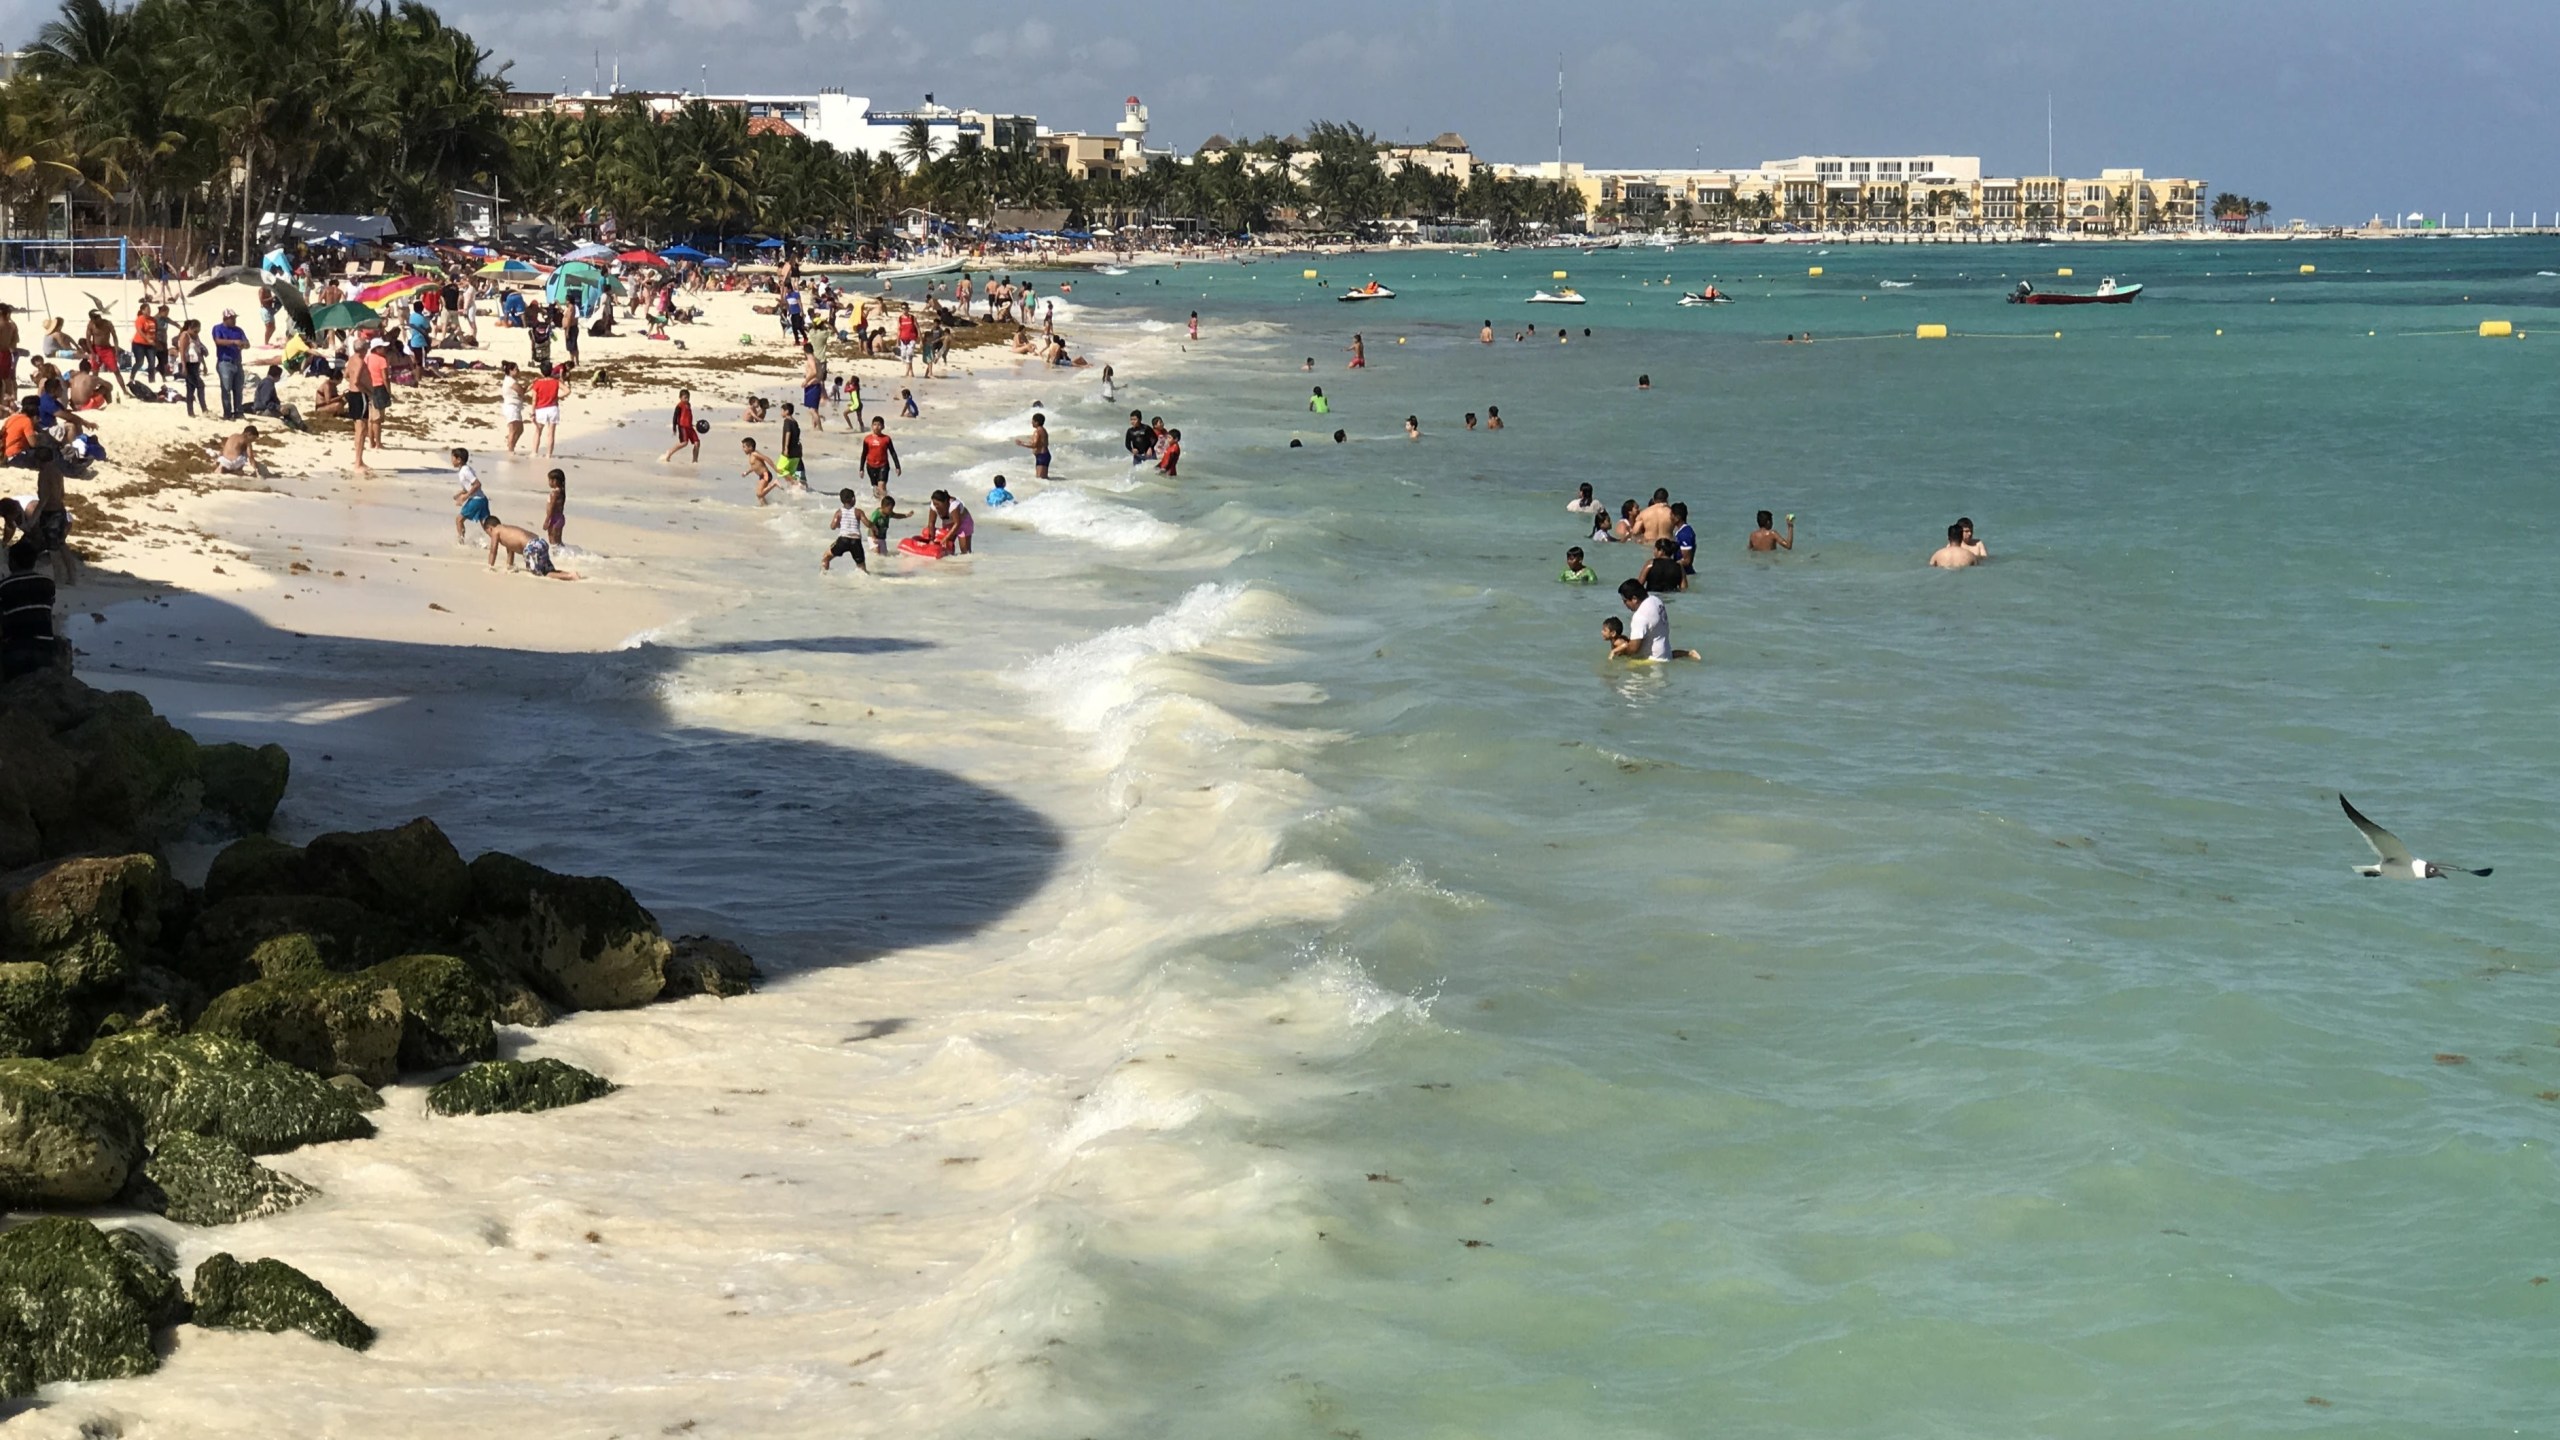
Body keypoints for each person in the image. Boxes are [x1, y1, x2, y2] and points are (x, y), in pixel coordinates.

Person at [0, 538, 58, 678]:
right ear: (34, 562)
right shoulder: (47, 583)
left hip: (15, 648)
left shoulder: (4, 587)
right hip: (45, 648)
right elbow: (48, 608)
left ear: (12, 562)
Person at [1612, 579, 1696, 661]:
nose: (1624, 604)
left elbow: (1634, 649)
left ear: (1634, 599)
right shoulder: (1656, 600)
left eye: (1625, 601)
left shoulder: (1639, 616)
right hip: (1666, 653)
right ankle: (1688, 654)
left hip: (1653, 660)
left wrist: (1620, 650)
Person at [481, 515, 576, 579]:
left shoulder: (496, 531)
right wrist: (509, 566)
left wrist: (490, 566)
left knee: (541, 574)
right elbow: (510, 551)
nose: (490, 535)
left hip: (531, 547)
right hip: (540, 542)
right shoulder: (507, 530)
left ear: (490, 528)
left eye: (488, 533)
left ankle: (570, 576)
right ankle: (569, 573)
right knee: (548, 569)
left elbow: (493, 551)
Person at [1601, 614, 1699, 661]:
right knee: (1669, 654)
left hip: (1639, 653)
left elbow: (1625, 644)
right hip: (1638, 651)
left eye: (1605, 630)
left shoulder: (1617, 642)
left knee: (1668, 656)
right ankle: (1687, 653)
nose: (1602, 632)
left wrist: (1613, 652)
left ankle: (1689, 653)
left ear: (1613, 633)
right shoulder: (1617, 639)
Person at [244, 365, 305, 430]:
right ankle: (301, 425)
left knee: (286, 409)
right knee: (291, 407)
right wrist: (279, 408)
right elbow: (266, 402)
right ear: (277, 376)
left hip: (262, 409)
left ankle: (292, 424)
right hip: (262, 411)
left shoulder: (266, 382)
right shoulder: (268, 383)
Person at [823, 487, 867, 572]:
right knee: (861, 567)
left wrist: (839, 525)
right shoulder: (858, 512)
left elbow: (832, 526)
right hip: (856, 541)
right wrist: (874, 526)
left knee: (826, 557)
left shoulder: (839, 512)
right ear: (853, 498)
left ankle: (824, 577)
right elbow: (867, 523)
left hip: (843, 540)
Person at [173, 319, 209, 417]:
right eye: (195, 331)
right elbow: (182, 352)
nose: (196, 333)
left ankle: (191, 412)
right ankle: (204, 409)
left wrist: (204, 365)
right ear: (190, 328)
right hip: (188, 364)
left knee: (190, 388)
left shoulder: (196, 336)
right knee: (200, 385)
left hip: (195, 364)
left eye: (198, 331)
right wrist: (184, 366)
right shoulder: (185, 335)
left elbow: (199, 351)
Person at [451, 449, 487, 539]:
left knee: (459, 520)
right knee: (486, 524)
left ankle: (461, 542)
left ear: (458, 460)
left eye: (452, 458)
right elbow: (469, 487)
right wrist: (459, 494)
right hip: (482, 499)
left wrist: (465, 497)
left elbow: (477, 484)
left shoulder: (465, 471)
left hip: (476, 500)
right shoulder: (465, 469)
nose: (451, 460)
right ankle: (497, 539)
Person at [529, 365, 564, 457]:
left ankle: (534, 452)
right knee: (551, 433)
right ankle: (548, 454)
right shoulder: (556, 382)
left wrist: (532, 412)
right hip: (553, 408)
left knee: (538, 431)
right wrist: (558, 397)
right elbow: (567, 390)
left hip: (541, 409)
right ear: (551, 371)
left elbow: (534, 400)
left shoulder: (537, 383)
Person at [859, 417, 901, 490]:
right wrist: (861, 469)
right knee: (875, 489)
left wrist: (897, 467)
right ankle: (881, 500)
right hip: (870, 466)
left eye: (879, 425)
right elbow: (864, 454)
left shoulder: (886, 439)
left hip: (883, 466)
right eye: (875, 424)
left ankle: (884, 500)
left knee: (881, 486)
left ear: (883, 427)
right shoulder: (867, 439)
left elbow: (893, 452)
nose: (877, 427)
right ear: (872, 426)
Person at [660, 386, 699, 463]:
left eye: (688, 398)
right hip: (682, 427)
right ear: (680, 398)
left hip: (690, 427)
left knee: (697, 443)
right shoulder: (679, 406)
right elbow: (675, 417)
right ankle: (670, 452)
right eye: (685, 398)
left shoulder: (689, 405)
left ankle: (695, 461)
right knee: (684, 443)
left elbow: (688, 416)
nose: (687, 399)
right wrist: (674, 428)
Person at [741, 436, 783, 504]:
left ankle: (774, 483)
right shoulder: (751, 455)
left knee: (759, 494)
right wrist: (747, 472)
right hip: (762, 476)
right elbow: (754, 467)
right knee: (760, 497)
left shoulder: (755, 454)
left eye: (744, 447)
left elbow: (766, 459)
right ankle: (765, 507)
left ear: (750, 447)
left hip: (765, 474)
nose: (743, 449)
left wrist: (775, 468)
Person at [1014, 412, 1050, 479]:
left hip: (1042, 456)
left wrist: (1021, 443)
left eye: (1033, 421)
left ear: (1037, 422)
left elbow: (1034, 445)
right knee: (1042, 479)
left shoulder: (1038, 431)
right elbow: (1038, 443)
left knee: (1040, 479)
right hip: (1043, 455)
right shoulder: (1042, 430)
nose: (1032, 423)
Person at [800, 343, 827, 431]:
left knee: (812, 410)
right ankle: (814, 428)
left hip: (813, 386)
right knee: (814, 410)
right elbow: (820, 374)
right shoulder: (817, 359)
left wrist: (806, 381)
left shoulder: (811, 359)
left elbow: (814, 372)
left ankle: (820, 429)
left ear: (804, 351)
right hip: (816, 385)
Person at [779, 402, 806, 485]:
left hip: (790, 450)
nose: (781, 413)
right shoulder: (794, 422)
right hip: (796, 449)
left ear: (786, 411)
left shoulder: (787, 421)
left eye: (782, 411)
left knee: (780, 468)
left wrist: (786, 448)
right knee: (796, 469)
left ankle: (795, 483)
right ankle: (799, 485)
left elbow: (788, 433)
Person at [543, 468, 567, 547]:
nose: (549, 482)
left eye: (549, 480)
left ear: (554, 481)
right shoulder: (562, 492)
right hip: (560, 518)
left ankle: (557, 557)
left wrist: (547, 520)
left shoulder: (554, 494)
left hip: (554, 519)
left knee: (552, 541)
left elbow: (552, 507)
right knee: (558, 542)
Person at [1670, 503, 1697, 572]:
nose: (1670, 517)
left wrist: (1668, 566)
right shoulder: (1679, 531)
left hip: (1686, 574)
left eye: (1671, 515)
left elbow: (1687, 560)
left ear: (1677, 517)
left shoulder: (1685, 534)